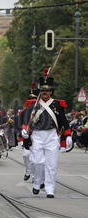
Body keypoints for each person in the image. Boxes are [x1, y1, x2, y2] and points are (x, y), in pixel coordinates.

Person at [21, 68, 71, 198]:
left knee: (51, 164)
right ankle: (37, 183)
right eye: (43, 90)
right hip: (37, 136)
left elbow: (63, 121)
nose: (45, 92)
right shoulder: (33, 105)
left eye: (48, 90)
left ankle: (50, 188)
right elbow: (26, 120)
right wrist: (24, 130)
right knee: (37, 162)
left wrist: (68, 136)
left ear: (51, 91)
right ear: (40, 91)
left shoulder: (57, 104)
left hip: (52, 136)